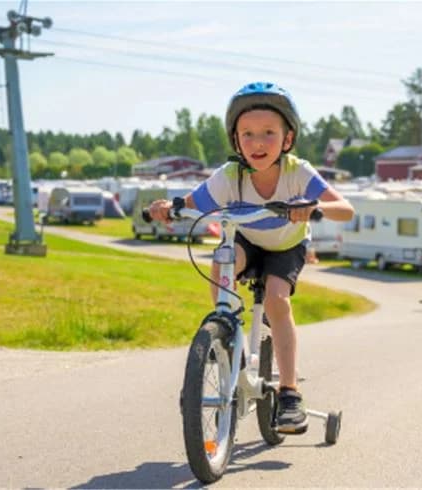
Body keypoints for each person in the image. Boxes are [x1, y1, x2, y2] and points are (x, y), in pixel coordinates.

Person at [147, 82, 355, 434]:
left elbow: (345, 209)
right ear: (235, 139)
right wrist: (169, 208)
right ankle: (227, 334)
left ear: (288, 138)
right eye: (248, 134)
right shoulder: (230, 175)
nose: (258, 142)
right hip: (248, 239)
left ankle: (289, 391)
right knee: (222, 259)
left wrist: (313, 207)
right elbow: (192, 203)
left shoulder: (297, 172)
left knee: (276, 300)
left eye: (269, 133)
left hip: (286, 246)